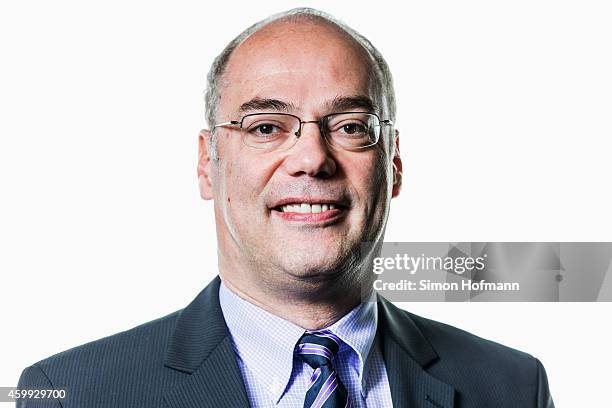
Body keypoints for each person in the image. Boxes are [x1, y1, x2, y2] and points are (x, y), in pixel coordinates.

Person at [17, 7, 554, 408]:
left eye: (349, 127)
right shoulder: (75, 393)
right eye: (267, 127)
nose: (312, 160)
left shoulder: (510, 387)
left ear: (393, 166)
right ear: (209, 165)